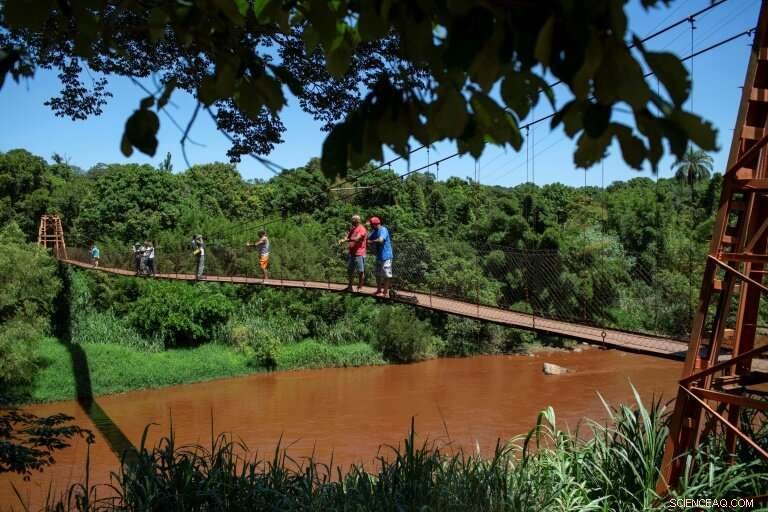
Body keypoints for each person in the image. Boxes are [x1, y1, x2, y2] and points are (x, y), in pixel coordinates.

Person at [338, 214, 367, 292]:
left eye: (352, 220)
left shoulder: (362, 229)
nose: (351, 222)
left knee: (360, 271)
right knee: (350, 270)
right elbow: (348, 237)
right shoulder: (353, 229)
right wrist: (342, 239)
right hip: (352, 253)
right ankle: (350, 286)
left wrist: (346, 240)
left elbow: (357, 238)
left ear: (357, 221)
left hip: (359, 253)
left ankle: (360, 287)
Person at [367, 217, 393, 297]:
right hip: (379, 256)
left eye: (371, 225)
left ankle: (385, 292)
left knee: (386, 274)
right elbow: (367, 238)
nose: (370, 226)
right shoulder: (375, 231)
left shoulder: (383, 230)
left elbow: (381, 240)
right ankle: (379, 290)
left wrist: (371, 242)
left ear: (375, 224)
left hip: (386, 256)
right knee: (378, 274)